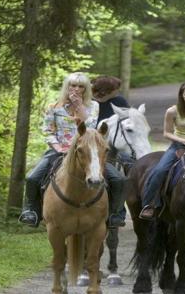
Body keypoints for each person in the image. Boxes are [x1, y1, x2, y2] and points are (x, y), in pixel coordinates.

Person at [18, 72, 127, 228]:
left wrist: (79, 107)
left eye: (81, 86)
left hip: (87, 150)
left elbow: (89, 128)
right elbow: (48, 131)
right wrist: (57, 146)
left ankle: (116, 214)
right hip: (59, 151)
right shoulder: (53, 107)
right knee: (32, 177)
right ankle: (31, 211)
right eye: (73, 85)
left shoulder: (93, 106)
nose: (76, 89)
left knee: (118, 179)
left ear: (86, 89)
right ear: (67, 87)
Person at [138, 81, 185, 220]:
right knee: (159, 171)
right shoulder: (172, 111)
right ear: (181, 96)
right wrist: (181, 140)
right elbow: (166, 133)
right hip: (179, 146)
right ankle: (149, 204)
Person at [91, 75, 130, 227]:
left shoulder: (119, 101)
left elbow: (128, 120)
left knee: (129, 165)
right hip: (94, 142)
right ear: (105, 91)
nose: (117, 92)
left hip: (116, 143)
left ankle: (119, 212)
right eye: (115, 90)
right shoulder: (90, 102)